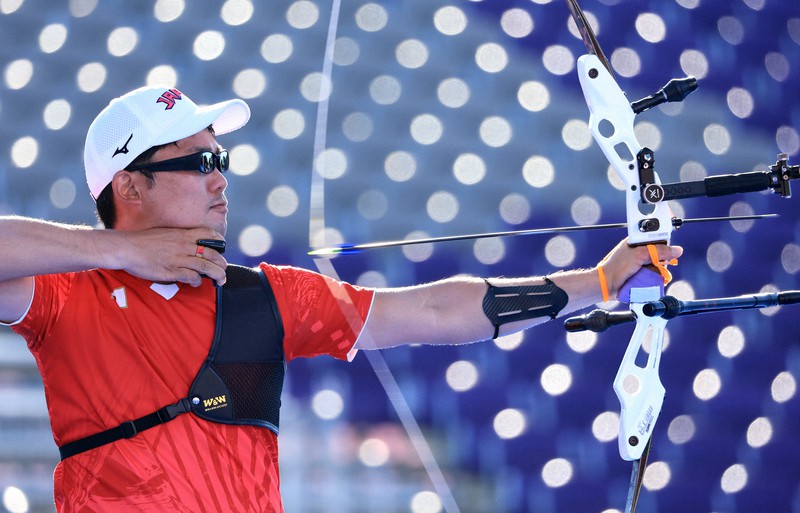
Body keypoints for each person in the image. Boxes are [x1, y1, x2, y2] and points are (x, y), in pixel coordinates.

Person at [0, 86, 682, 513]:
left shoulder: (265, 296)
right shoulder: (65, 295)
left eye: (223, 160)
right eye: (199, 162)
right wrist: (120, 252)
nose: (220, 181)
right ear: (131, 188)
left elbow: (434, 311)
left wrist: (593, 284)